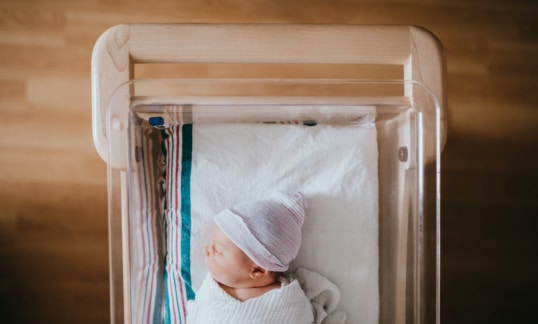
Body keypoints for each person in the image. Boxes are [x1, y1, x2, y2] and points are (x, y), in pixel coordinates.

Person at [187, 192, 315, 324]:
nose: (206, 250)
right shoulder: (211, 293)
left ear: (257, 270)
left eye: (218, 250)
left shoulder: (290, 303)